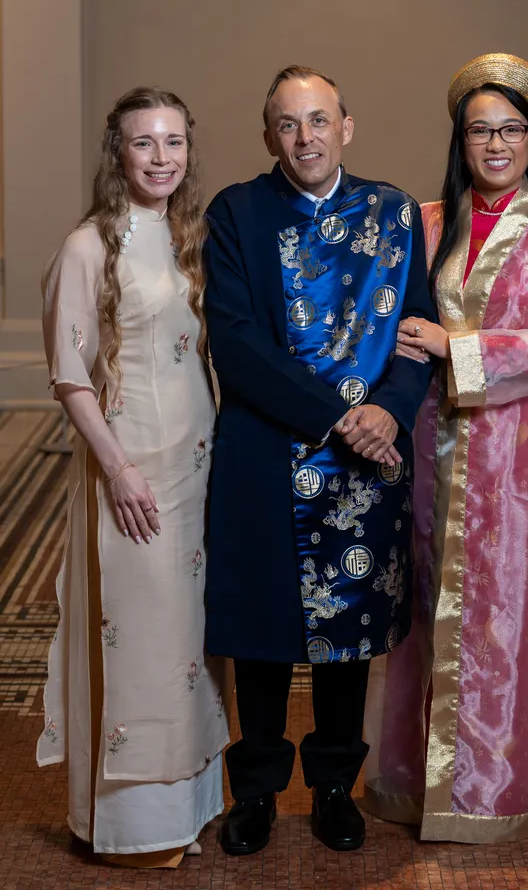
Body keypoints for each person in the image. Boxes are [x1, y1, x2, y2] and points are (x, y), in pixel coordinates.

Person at [204, 64, 436, 855]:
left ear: (346, 127)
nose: (305, 138)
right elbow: (236, 344)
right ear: (269, 135)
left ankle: (336, 784)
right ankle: (257, 791)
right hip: (267, 453)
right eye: (288, 123)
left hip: (369, 459)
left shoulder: (394, 212)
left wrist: (389, 411)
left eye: (319, 120)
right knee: (262, 633)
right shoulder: (237, 212)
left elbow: (416, 331)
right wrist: (341, 418)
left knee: (351, 631)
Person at [362, 53, 528, 842]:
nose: (496, 144)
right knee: (420, 608)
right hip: (422, 448)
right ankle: (407, 782)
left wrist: (453, 344)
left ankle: (494, 794)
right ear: (460, 141)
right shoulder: (424, 223)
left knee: (501, 617)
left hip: (512, 458)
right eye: (479, 130)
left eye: (510, 130)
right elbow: (385, 322)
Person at [36, 88, 228, 869]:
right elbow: (69, 377)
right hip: (134, 468)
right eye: (144, 142)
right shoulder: (90, 245)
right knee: (142, 638)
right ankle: (134, 827)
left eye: (173, 142)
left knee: (191, 640)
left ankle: (189, 807)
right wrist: (116, 470)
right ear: (118, 151)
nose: (160, 157)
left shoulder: (189, 236)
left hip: (197, 467)